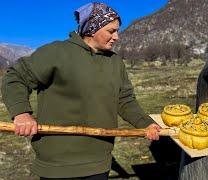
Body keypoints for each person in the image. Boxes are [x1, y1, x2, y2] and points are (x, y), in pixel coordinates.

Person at [1, 2, 161, 179]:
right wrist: (21, 113)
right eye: (111, 31)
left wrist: (145, 123)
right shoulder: (56, 53)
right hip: (57, 165)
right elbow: (16, 77)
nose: (117, 36)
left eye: (117, 31)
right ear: (92, 29)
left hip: (99, 162)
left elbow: (125, 100)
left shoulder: (115, 62)